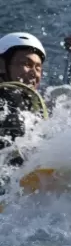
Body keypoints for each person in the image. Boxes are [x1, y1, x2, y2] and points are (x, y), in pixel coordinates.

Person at [0, 33, 48, 166]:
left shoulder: (32, 103)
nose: (34, 73)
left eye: (38, 67)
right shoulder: (8, 95)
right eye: (26, 64)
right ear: (2, 65)